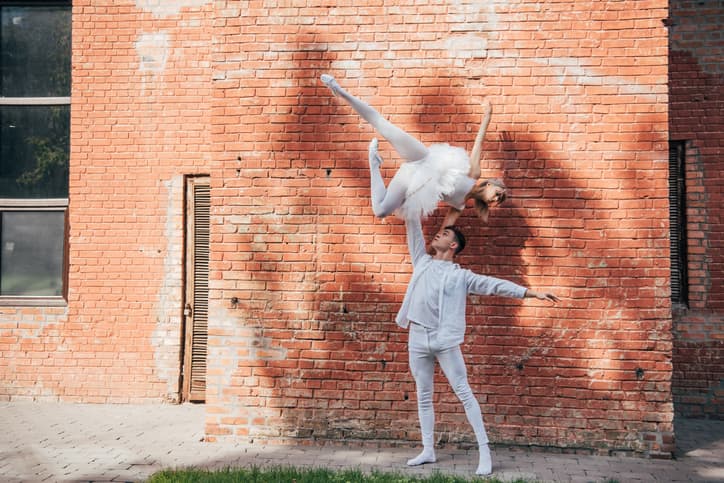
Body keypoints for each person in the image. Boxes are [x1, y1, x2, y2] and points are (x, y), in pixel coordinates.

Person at [397, 215, 559, 475]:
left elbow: (494, 285)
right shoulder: (422, 262)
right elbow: (412, 226)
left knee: (464, 391)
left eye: (446, 234)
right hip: (416, 337)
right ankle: (428, 450)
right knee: (423, 395)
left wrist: (530, 293)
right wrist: (413, 197)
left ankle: (485, 451)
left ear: (454, 246)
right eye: (440, 233)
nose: (439, 234)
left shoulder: (461, 276)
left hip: (444, 340)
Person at [321, 74, 506, 224]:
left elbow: (446, 230)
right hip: (421, 159)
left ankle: (374, 163)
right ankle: (340, 90)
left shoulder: (459, 205)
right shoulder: (474, 173)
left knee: (381, 210)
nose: (496, 200)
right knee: (384, 126)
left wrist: (434, 259)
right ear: (489, 184)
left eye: (498, 201)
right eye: (498, 194)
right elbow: (478, 144)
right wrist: (488, 116)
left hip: (411, 180)